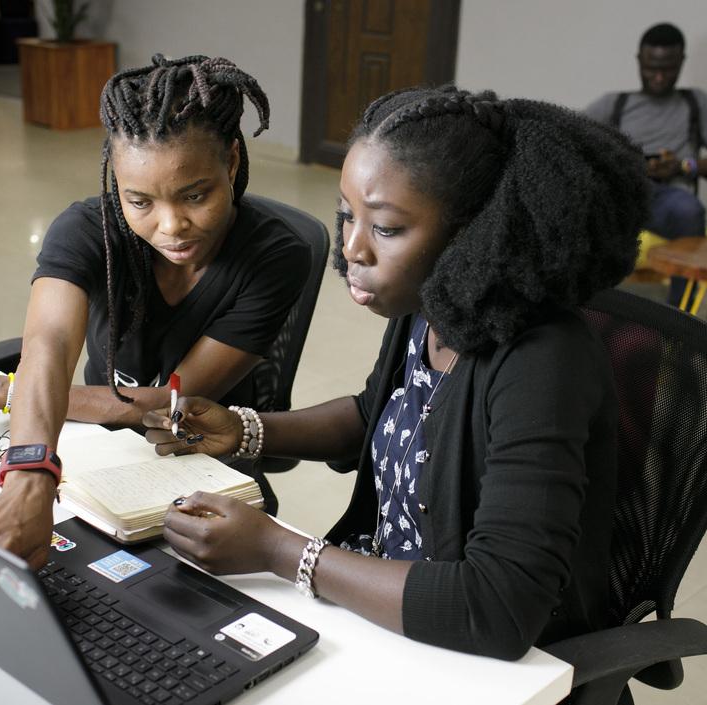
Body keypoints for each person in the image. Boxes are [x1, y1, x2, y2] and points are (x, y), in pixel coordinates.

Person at [144, 85, 649, 660]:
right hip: (379, 598)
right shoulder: (429, 307)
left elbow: (500, 606)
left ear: (472, 235)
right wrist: (246, 429)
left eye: (384, 228)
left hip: (469, 644)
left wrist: (280, 551)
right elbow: (377, 414)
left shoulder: (541, 360)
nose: (352, 247)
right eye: (346, 215)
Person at [0, 54, 311, 562]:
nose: (171, 226)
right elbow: (50, 344)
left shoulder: (276, 254)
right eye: (140, 201)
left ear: (233, 162)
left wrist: (3, 390)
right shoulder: (87, 230)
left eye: (195, 195)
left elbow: (176, 401)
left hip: (197, 459)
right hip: (94, 444)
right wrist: (29, 475)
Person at [585, 22, 706, 307]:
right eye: (652, 68)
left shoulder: (694, 103)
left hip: (669, 197)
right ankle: (594, 309)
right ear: (639, 60)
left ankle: (679, 318)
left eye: (669, 68)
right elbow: (573, 144)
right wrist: (624, 164)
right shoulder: (615, 103)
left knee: (688, 210)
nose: (660, 77)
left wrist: (683, 166)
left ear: (681, 62)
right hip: (622, 192)